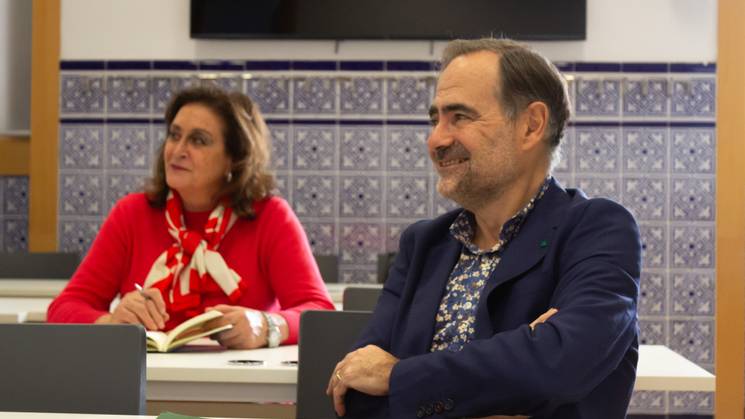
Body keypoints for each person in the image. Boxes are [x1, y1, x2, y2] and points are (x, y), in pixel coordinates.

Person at [327, 38, 641, 418]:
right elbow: (359, 390)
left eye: (460, 116)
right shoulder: (424, 244)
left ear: (531, 125)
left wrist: (399, 376)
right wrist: (516, 372)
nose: (436, 140)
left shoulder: (597, 229)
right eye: (435, 119)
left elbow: (561, 366)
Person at [48, 85, 335, 348]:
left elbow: (320, 311)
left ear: (234, 159)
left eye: (198, 140)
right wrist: (111, 323)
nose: (178, 150)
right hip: (146, 389)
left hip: (246, 392)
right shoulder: (132, 214)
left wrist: (267, 325)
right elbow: (64, 307)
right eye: (174, 135)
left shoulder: (271, 216)